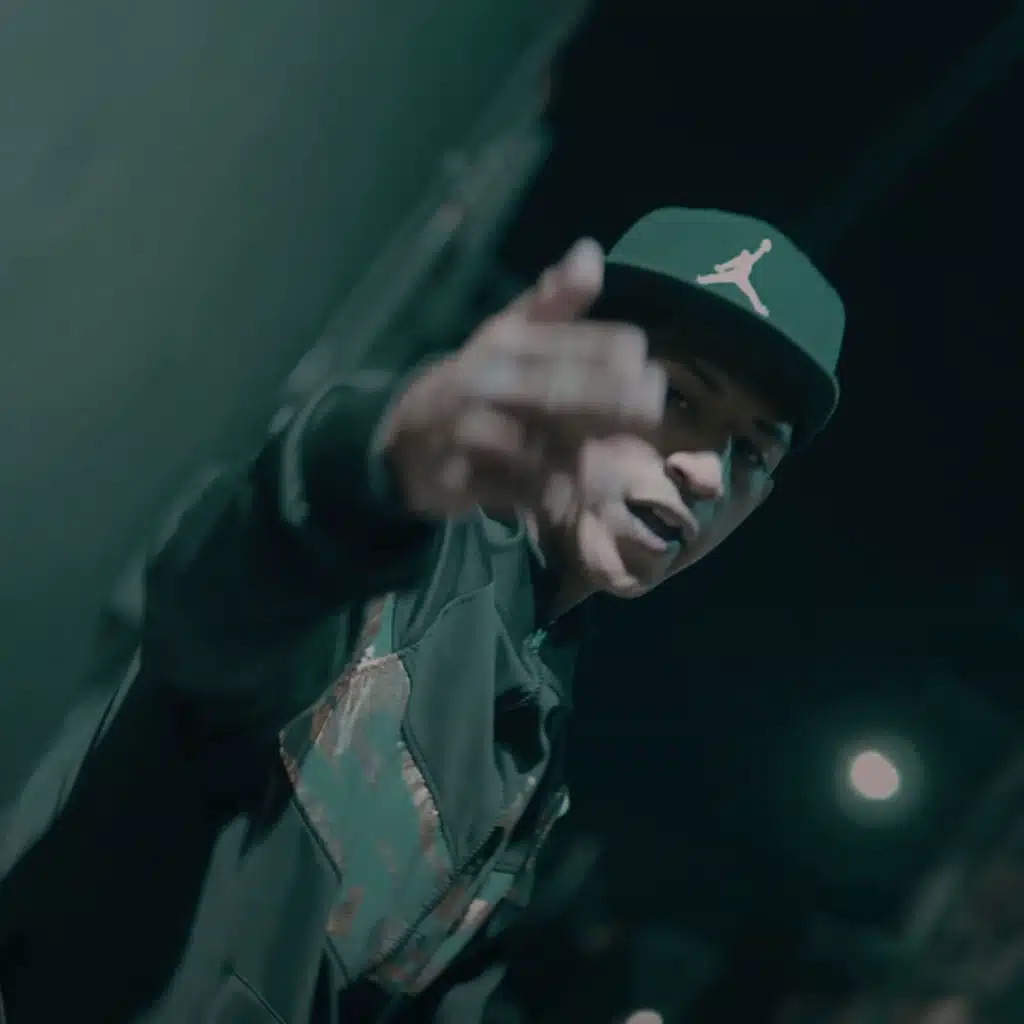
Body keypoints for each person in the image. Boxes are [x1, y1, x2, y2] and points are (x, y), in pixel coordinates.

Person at [0, 206, 845, 1023]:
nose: (707, 471)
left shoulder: (537, 757)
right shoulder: (393, 553)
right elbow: (224, 599)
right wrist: (374, 464)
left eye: (751, 450)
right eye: (681, 399)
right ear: (572, 367)